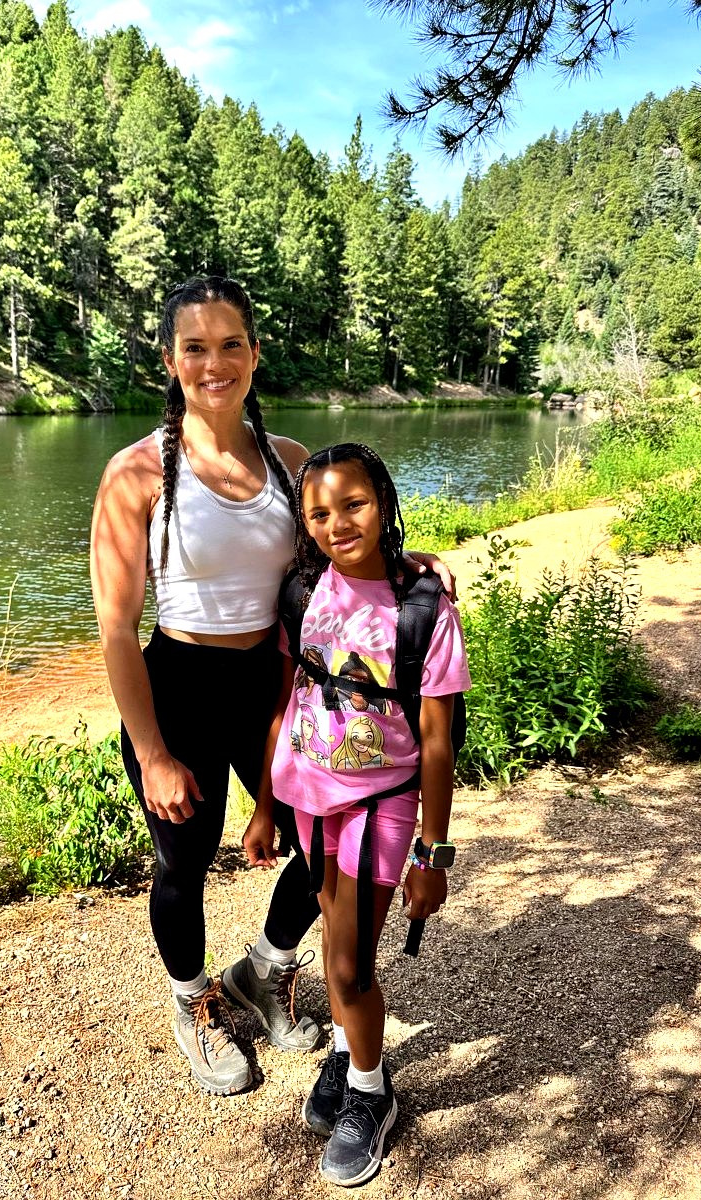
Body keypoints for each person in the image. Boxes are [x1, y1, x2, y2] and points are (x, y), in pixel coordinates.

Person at [89, 276, 456, 1098]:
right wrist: (151, 751)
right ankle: (196, 1005)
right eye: (195, 347)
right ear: (170, 359)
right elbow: (116, 628)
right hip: (177, 684)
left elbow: (346, 545)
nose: (213, 363)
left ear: (254, 355)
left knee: (312, 840)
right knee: (181, 862)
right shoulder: (137, 473)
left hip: (277, 684)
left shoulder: (289, 463)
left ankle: (266, 967)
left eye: (230, 345)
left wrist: (409, 564)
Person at [243, 442, 470, 1186]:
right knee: (342, 946)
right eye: (319, 511)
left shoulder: (424, 607)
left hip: (382, 804)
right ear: (304, 523)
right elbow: (286, 703)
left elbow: (436, 744)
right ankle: (346, 1051)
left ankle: (372, 1096)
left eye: (355, 504)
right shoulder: (302, 593)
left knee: (348, 962)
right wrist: (265, 806)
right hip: (310, 803)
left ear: (386, 502)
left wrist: (432, 856)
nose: (338, 522)